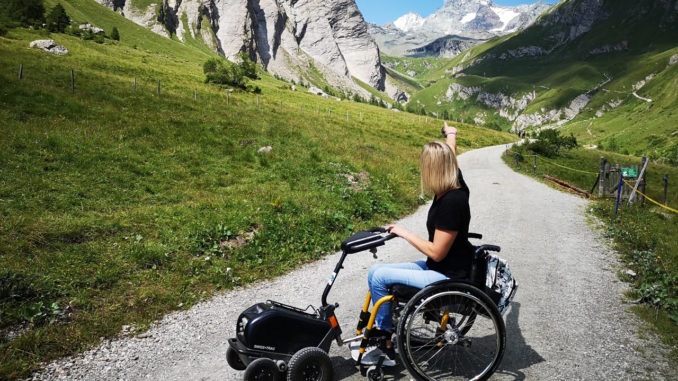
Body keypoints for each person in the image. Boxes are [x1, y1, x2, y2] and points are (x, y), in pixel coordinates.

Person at [366, 122, 474, 360]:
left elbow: (436, 252)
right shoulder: (453, 184)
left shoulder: (452, 203)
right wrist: (451, 134)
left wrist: (404, 233)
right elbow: (451, 152)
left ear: (435, 170)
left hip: (447, 275)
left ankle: (384, 338)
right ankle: (385, 330)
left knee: (380, 275)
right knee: (374, 273)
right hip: (442, 268)